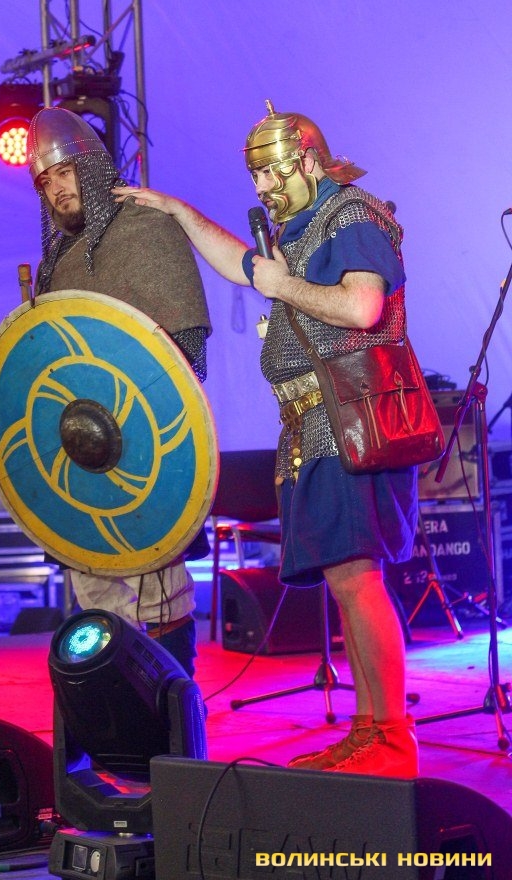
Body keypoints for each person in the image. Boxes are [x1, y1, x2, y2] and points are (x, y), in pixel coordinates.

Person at [113, 100, 419, 778]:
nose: (263, 188)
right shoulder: (304, 228)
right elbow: (245, 267)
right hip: (316, 426)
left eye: (272, 173)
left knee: (359, 580)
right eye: (256, 177)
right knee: (345, 583)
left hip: (350, 420)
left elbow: (362, 306)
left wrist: (286, 284)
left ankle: (394, 740)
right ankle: (369, 732)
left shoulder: (351, 214)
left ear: (307, 160)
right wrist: (180, 213)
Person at [25, 106, 212, 678]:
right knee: (97, 605)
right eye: (45, 181)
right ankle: (114, 723)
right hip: (82, 456)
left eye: (65, 172)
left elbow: (181, 361)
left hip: (146, 449)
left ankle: (174, 724)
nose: (57, 189)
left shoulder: (145, 230)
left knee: (160, 601)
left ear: (93, 167)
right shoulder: (58, 260)